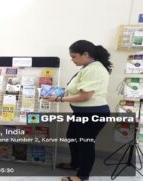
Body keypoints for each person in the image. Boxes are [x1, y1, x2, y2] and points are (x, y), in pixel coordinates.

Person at [44, 40, 112, 181]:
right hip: (82, 113)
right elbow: (76, 90)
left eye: (74, 56)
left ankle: (82, 176)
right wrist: (59, 94)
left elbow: (85, 95)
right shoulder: (87, 67)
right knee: (72, 136)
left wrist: (58, 100)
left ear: (85, 54)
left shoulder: (94, 69)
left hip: (93, 113)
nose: (72, 59)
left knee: (85, 143)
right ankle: (75, 164)